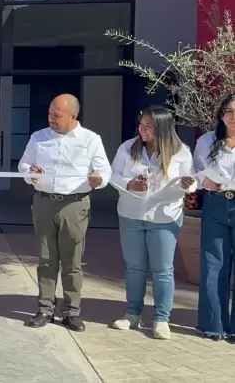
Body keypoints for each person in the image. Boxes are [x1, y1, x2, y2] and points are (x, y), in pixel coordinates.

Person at [18, 94, 111, 332]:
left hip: (75, 204)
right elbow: (23, 164)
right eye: (49, 114)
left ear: (73, 116)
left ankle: (71, 312)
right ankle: (45, 308)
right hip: (44, 203)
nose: (51, 119)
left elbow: (104, 171)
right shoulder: (39, 137)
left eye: (56, 115)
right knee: (46, 258)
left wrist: (97, 179)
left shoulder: (90, 139)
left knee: (72, 261)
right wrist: (30, 172)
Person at [109, 105, 195, 340]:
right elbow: (113, 175)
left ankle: (161, 319)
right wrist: (129, 184)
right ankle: (133, 314)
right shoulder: (128, 147)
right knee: (134, 268)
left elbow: (192, 181)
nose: (142, 129)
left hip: (164, 216)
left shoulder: (180, 152)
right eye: (141, 124)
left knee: (163, 270)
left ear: (163, 128)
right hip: (131, 215)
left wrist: (187, 184)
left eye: (149, 126)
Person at [193, 93, 235, 340]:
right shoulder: (207, 141)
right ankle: (213, 325)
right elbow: (195, 171)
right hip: (216, 204)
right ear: (222, 115)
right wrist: (203, 180)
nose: (233, 117)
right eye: (229, 111)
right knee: (213, 264)